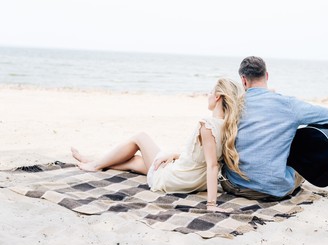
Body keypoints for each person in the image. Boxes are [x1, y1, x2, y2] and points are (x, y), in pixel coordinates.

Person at [71, 78, 246, 212]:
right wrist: (175, 155)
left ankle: (94, 165)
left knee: (140, 137)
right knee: (134, 161)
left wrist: (211, 204)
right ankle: (94, 160)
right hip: (191, 178)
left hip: (174, 179)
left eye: (210, 92)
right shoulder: (228, 126)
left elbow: (212, 165)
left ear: (217, 97)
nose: (207, 95)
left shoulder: (207, 124)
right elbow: (204, 155)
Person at [220, 56, 328, 200]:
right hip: (274, 189)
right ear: (266, 76)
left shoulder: (234, 105)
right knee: (292, 146)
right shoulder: (288, 104)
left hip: (234, 185)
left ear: (243, 80)